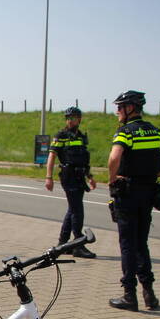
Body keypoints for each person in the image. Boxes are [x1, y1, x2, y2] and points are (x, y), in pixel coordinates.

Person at [107, 90, 160, 311]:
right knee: (142, 243)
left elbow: (114, 157)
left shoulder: (126, 132)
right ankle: (150, 296)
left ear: (131, 107)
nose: (117, 111)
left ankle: (129, 296)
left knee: (127, 245)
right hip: (148, 193)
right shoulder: (155, 131)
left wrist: (112, 180)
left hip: (128, 193)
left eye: (120, 107)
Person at [45, 106, 96, 258]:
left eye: (73, 117)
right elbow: (52, 156)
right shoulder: (61, 135)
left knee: (72, 210)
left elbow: (83, 159)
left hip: (80, 177)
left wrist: (90, 176)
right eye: (67, 118)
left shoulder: (80, 136)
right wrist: (49, 177)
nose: (70, 120)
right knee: (77, 211)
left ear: (79, 119)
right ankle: (78, 245)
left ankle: (63, 244)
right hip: (68, 177)